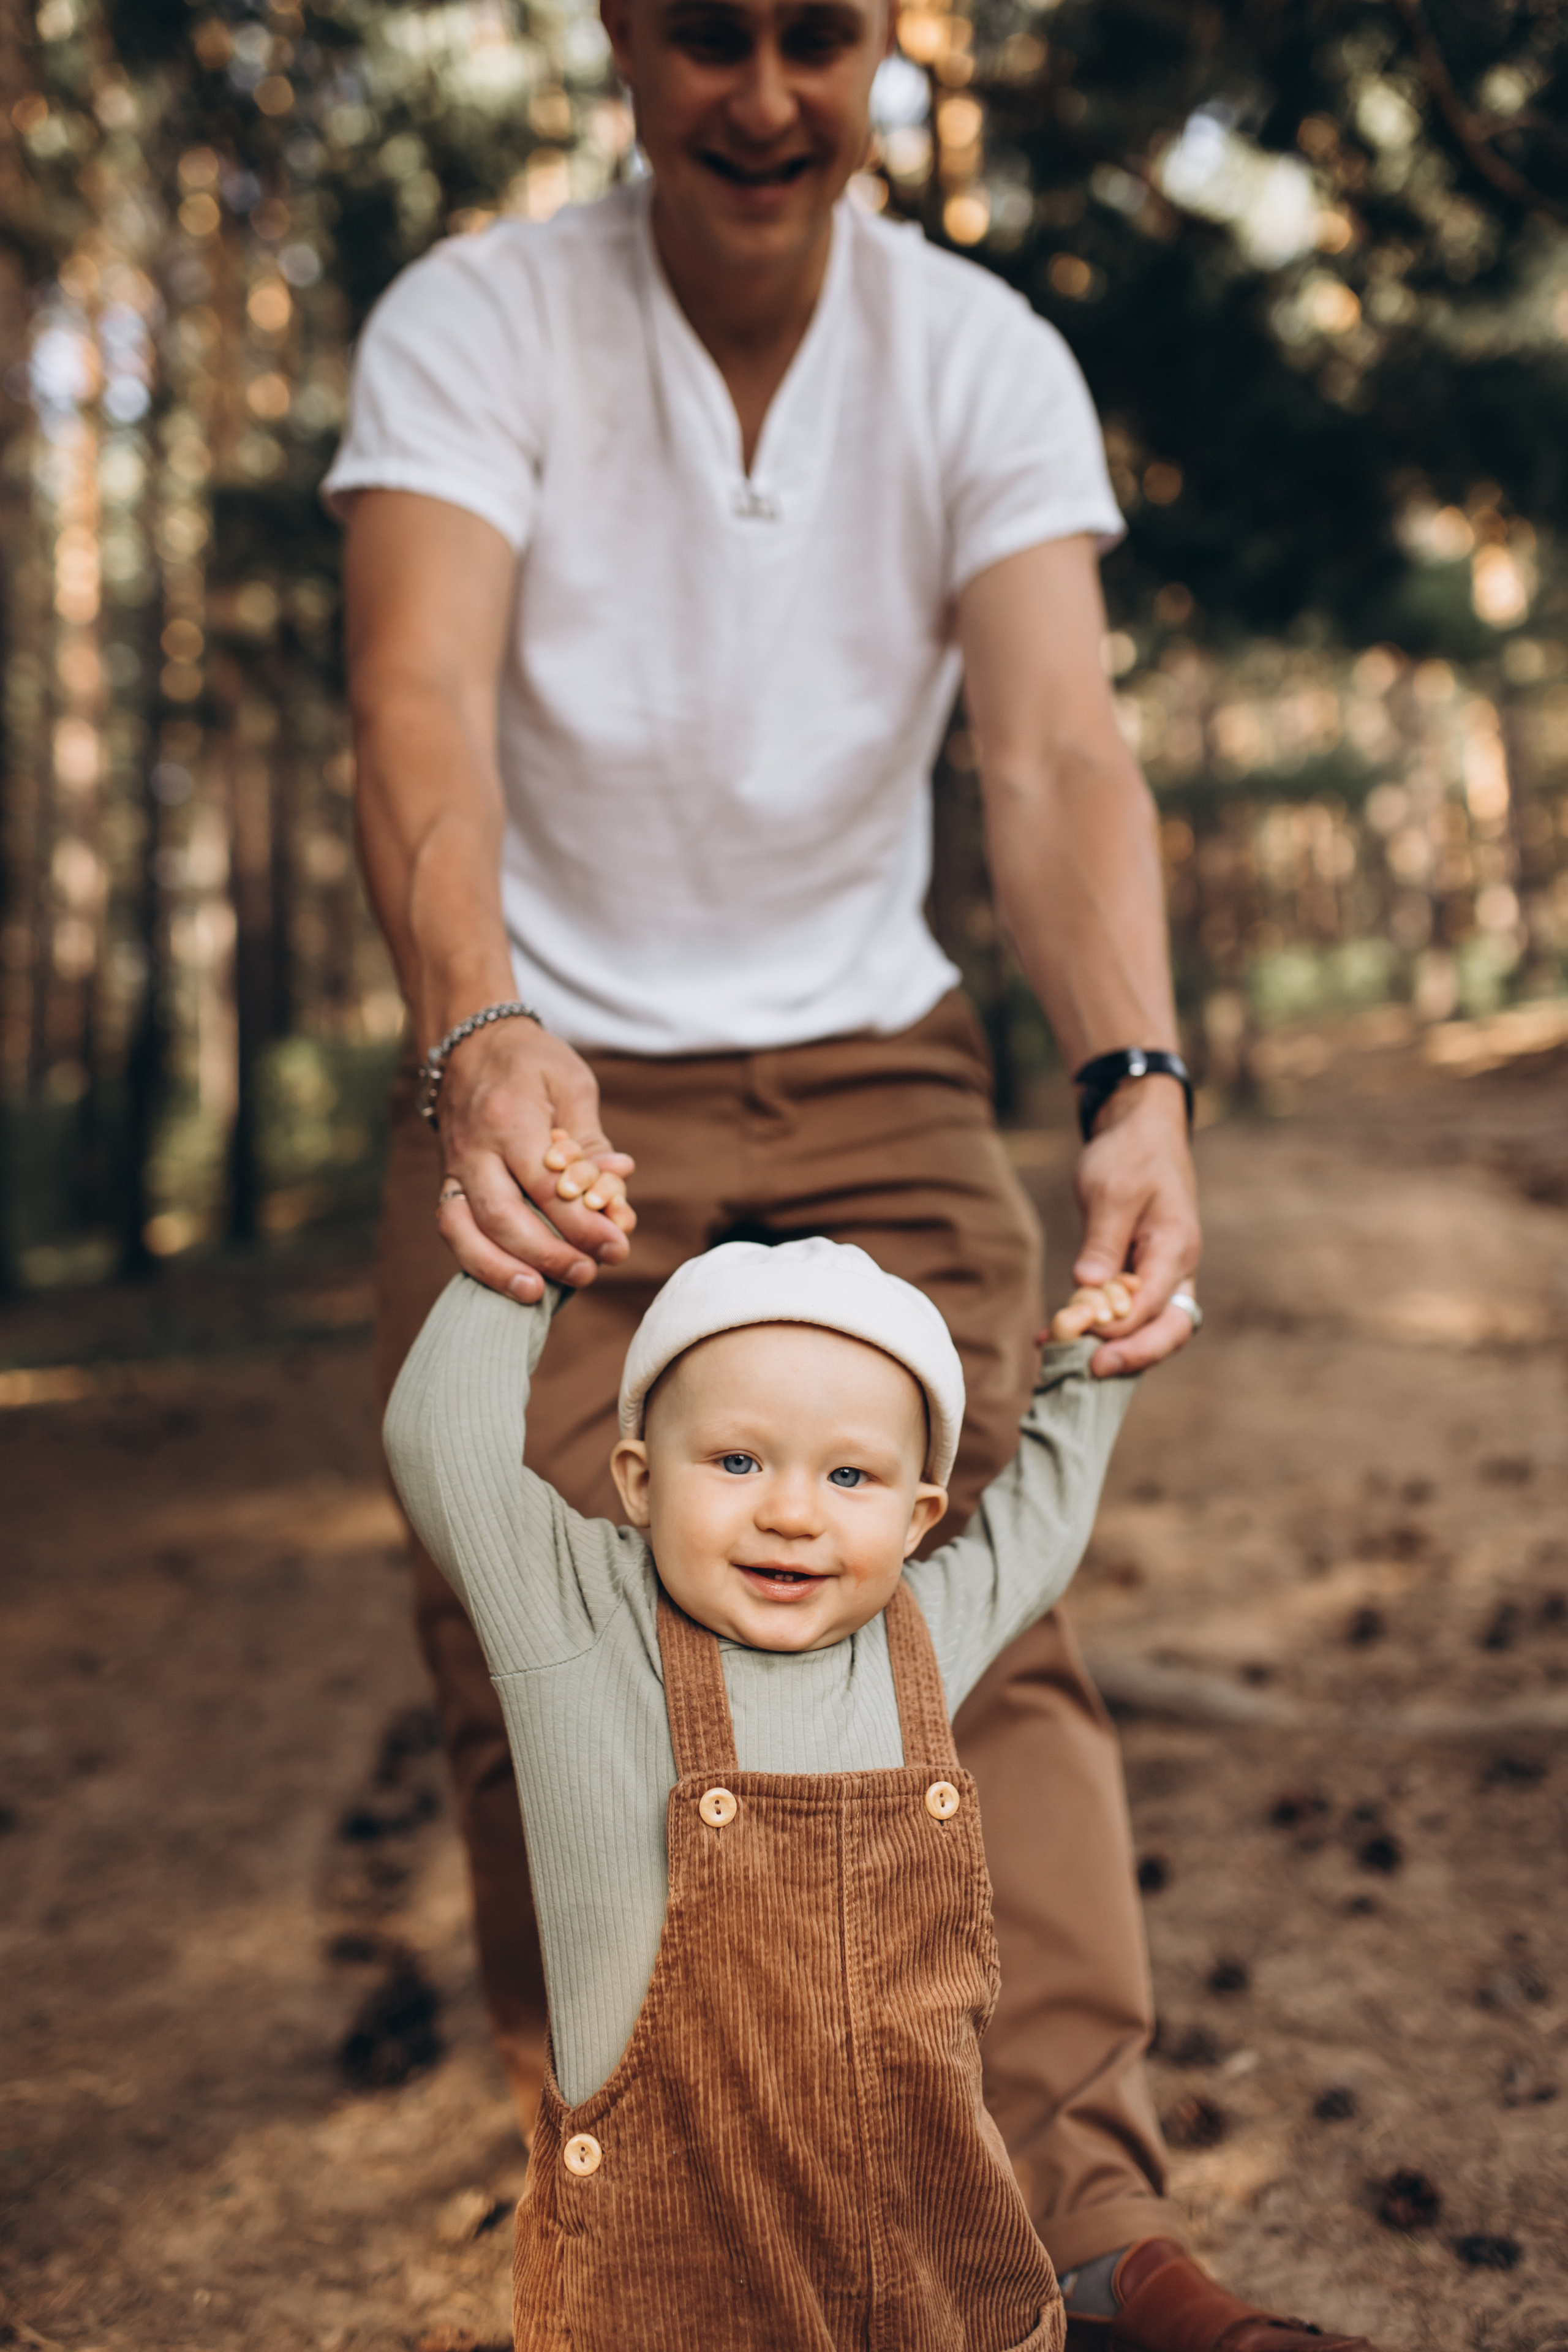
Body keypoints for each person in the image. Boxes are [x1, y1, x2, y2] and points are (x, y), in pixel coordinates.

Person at [325, 0, 1382, 2336]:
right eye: (708, 34)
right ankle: (650, 2203)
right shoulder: (476, 325)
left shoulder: (979, 357)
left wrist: (1134, 1074)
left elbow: (1056, 753)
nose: (767, 95)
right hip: (546, 1062)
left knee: (966, 1586)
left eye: (822, 33)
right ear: (619, 34)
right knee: (543, 1628)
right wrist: (483, 1034)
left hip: (873, 1061)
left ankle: (1090, 2243)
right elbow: (416, 710)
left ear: (890, 43)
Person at [385, 1233, 1143, 2350]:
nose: (793, 1511)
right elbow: (439, 1446)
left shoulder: (918, 1640)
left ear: (918, 1517)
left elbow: (1038, 1531)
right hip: (671, 2266)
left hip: (921, 2248)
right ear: (640, 1481)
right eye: (737, 1462)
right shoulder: (579, 1621)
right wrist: (527, 1254)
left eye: (850, 1476)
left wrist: (1088, 1370)